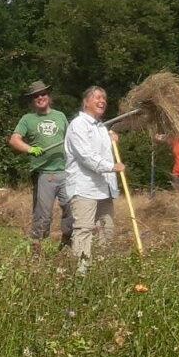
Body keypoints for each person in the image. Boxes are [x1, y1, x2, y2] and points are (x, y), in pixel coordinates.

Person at [64, 86, 125, 274]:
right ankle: (81, 274)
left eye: (104, 98)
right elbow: (86, 156)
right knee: (84, 229)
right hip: (84, 188)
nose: (102, 101)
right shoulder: (78, 125)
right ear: (86, 102)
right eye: (98, 97)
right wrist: (111, 167)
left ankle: (101, 271)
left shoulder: (101, 127)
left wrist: (112, 139)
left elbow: (104, 152)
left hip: (103, 188)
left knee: (107, 229)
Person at [8, 80, 72, 253]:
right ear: (32, 100)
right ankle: (37, 253)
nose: (40, 97)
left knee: (71, 209)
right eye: (36, 95)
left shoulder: (60, 116)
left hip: (65, 172)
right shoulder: (27, 119)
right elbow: (14, 140)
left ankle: (66, 245)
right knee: (43, 216)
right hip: (43, 174)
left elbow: (71, 139)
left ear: (48, 96)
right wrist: (30, 149)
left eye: (43, 94)